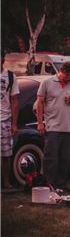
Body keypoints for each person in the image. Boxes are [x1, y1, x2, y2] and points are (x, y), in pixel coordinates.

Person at [36, 61, 70, 188]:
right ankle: (49, 184)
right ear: (65, 71)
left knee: (65, 159)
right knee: (51, 158)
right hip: (53, 127)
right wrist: (40, 123)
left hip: (69, 128)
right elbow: (39, 103)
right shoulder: (47, 83)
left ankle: (61, 185)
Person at [1, 51, 19, 188]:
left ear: (3, 60)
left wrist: (14, 123)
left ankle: (5, 181)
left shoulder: (11, 77)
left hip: (5, 120)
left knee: (6, 154)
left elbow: (14, 101)